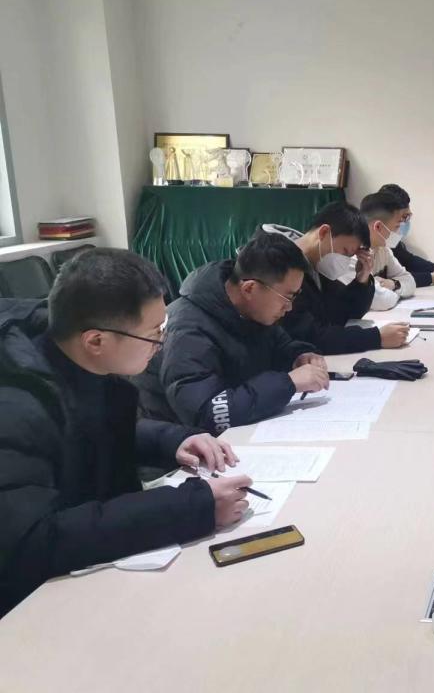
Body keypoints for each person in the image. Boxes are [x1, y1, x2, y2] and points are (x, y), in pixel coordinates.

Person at [0, 248, 252, 617]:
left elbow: (83, 433)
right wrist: (193, 508)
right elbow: (35, 541)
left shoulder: (74, 358)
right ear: (96, 341)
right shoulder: (15, 406)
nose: (161, 346)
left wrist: (173, 440)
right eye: (153, 335)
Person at [137, 231, 330, 434]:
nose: (289, 307)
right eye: (287, 297)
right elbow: (207, 414)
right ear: (249, 289)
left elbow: (281, 345)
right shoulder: (189, 330)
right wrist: (288, 383)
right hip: (181, 443)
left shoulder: (252, 311)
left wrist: (299, 356)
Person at [262, 202, 410, 353]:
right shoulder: (278, 263)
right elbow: (309, 335)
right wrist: (376, 338)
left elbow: (340, 314)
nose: (345, 260)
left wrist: (362, 280)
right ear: (324, 232)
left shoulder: (316, 263)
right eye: (345, 251)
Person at [379, 183, 434, 287]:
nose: (404, 222)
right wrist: (432, 277)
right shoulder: (367, 247)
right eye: (404, 217)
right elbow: (388, 281)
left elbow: (408, 262)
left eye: (408, 217)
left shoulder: (391, 242)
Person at [360, 191, 417, 311]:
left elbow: (410, 282)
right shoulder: (355, 254)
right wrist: (398, 292)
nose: (399, 231)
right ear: (378, 227)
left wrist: (393, 284)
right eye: (397, 226)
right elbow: (381, 301)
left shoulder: (383, 249)